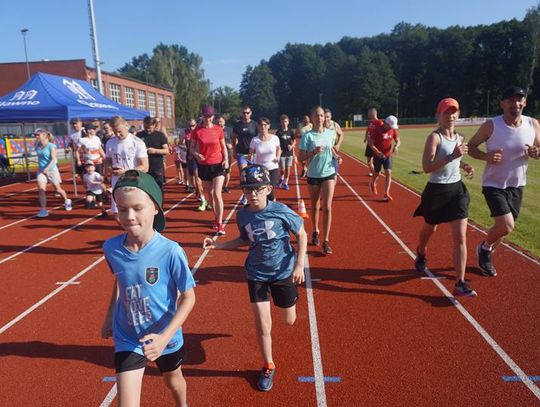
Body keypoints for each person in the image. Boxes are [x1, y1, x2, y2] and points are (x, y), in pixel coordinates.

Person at [203, 164, 306, 392]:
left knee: (289, 320)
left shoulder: (281, 211)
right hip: (256, 273)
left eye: (258, 189)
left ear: (268, 189)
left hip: (282, 272)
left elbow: (301, 233)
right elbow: (244, 240)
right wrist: (218, 246)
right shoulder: (243, 215)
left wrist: (299, 264)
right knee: (262, 324)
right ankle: (268, 364)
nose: (253, 194)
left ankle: (289, 300)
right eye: (248, 190)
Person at [101, 170, 196, 407]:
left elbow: (189, 297)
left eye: (137, 208)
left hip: (165, 335)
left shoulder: (171, 251)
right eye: (122, 209)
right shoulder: (111, 248)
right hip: (128, 335)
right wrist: (109, 315)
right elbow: (121, 280)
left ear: (155, 208)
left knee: (173, 382)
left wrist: (164, 338)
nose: (129, 216)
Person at [468, 86, 540, 277]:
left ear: (524, 102)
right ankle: (484, 248)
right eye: (510, 100)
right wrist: (486, 156)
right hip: (494, 184)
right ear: (502, 103)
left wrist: (536, 153)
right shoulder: (491, 125)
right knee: (506, 225)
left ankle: (487, 252)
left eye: (519, 100)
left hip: (517, 184)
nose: (515, 104)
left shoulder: (533, 124)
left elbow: (539, 150)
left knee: (505, 229)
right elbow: (471, 146)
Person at [413, 98, 477, 297]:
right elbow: (426, 167)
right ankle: (421, 250)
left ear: (458, 115)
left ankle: (460, 283)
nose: (450, 116)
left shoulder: (460, 137)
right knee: (429, 228)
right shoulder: (435, 138)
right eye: (446, 112)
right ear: (439, 116)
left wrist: (465, 165)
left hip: (456, 191)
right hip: (436, 191)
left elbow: (457, 159)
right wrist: (452, 156)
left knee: (460, 236)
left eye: (453, 112)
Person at [298, 106, 341, 255]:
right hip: (313, 174)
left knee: (327, 207)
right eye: (316, 116)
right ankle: (315, 230)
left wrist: (337, 157)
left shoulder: (331, 133)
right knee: (315, 205)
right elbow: (300, 158)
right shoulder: (307, 136)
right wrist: (313, 152)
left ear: (325, 117)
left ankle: (326, 240)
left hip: (329, 173)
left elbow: (332, 150)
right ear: (312, 118)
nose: (320, 118)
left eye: (322, 115)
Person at [190, 106, 228, 234]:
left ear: (213, 117)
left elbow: (223, 147)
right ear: (202, 116)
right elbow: (192, 148)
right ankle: (216, 217)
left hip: (217, 164)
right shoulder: (197, 131)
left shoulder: (218, 130)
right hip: (204, 165)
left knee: (217, 193)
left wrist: (226, 159)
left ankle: (220, 223)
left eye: (210, 116)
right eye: (206, 116)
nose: (208, 118)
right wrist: (196, 155)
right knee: (210, 194)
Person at [104, 116, 149, 214]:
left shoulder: (137, 142)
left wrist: (126, 172)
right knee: (116, 213)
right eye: (115, 132)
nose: (117, 134)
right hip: (117, 182)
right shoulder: (110, 143)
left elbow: (145, 166)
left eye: (120, 131)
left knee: (134, 212)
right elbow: (107, 160)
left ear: (126, 126)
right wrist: (109, 168)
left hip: (133, 182)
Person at [34, 129, 72, 217]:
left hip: (52, 170)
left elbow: (53, 159)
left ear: (44, 136)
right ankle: (43, 210)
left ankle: (67, 200)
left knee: (58, 189)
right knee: (41, 190)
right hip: (41, 170)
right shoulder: (37, 145)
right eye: (35, 135)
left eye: (37, 135)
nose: (36, 137)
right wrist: (42, 168)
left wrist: (47, 169)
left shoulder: (51, 146)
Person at [367, 115, 401, 201]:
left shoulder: (392, 130)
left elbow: (398, 140)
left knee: (388, 172)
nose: (391, 128)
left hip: (388, 155)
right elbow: (370, 143)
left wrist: (396, 146)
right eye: (390, 126)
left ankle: (386, 193)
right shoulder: (377, 130)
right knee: (376, 173)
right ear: (386, 123)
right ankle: (372, 184)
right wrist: (377, 152)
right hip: (378, 155)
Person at [248, 117, 281, 201]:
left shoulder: (275, 138)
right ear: (258, 127)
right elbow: (250, 154)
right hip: (260, 169)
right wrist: (250, 158)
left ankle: (272, 207)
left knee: (271, 192)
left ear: (268, 126)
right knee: (262, 191)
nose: (263, 127)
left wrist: (278, 157)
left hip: (273, 168)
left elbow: (278, 149)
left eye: (265, 125)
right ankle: (264, 209)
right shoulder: (255, 140)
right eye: (261, 125)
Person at [232, 106, 258, 204]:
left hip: (252, 154)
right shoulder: (237, 125)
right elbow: (233, 138)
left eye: (247, 113)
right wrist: (234, 151)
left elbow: (258, 139)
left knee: (252, 174)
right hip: (241, 153)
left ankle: (253, 193)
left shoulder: (255, 125)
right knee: (244, 175)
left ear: (250, 113)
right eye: (243, 113)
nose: (245, 115)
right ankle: (245, 194)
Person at [136, 116, 169, 191]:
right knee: (144, 189)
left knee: (158, 188)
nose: (147, 130)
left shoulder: (160, 135)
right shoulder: (139, 135)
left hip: (156, 168)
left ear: (154, 125)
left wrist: (155, 151)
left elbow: (166, 151)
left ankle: (159, 203)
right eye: (146, 127)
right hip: (143, 168)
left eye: (150, 128)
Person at [275, 114, 296, 190]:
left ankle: (285, 182)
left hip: (289, 153)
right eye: (283, 121)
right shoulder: (278, 132)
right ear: (281, 122)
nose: (284, 123)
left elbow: (294, 141)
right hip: (282, 153)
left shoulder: (291, 131)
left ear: (288, 122)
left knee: (288, 168)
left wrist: (292, 146)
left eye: (286, 121)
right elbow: (276, 143)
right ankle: (281, 178)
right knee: (282, 169)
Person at [324, 109, 344, 174]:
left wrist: (338, 144)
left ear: (331, 116)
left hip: (333, 152)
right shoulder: (320, 126)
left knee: (334, 173)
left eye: (327, 117)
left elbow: (341, 134)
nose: (326, 119)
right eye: (324, 117)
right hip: (323, 153)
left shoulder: (335, 125)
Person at [218, 116, 233, 193]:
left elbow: (235, 140)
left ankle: (225, 186)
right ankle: (219, 187)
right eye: (218, 121)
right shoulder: (215, 130)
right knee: (219, 171)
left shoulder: (229, 130)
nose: (219, 123)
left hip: (228, 153)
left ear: (224, 122)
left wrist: (231, 145)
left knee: (227, 171)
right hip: (218, 153)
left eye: (221, 121)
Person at [364, 108, 380, 177]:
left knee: (376, 161)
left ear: (373, 113)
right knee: (369, 161)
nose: (368, 114)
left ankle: (375, 175)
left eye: (369, 113)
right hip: (369, 144)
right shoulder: (371, 123)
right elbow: (367, 131)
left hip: (376, 144)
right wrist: (365, 138)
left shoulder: (379, 122)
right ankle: (374, 174)